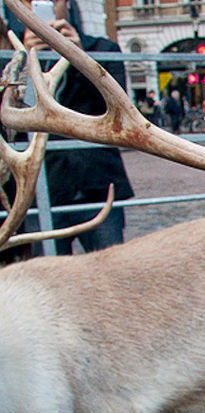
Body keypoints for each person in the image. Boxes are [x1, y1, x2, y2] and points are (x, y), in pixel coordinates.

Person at [5, 0, 134, 255]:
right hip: (40, 188)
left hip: (96, 186)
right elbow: (10, 116)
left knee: (112, 273)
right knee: (46, 278)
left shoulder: (102, 49)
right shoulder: (9, 56)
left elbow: (121, 112)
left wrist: (79, 57)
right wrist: (25, 62)